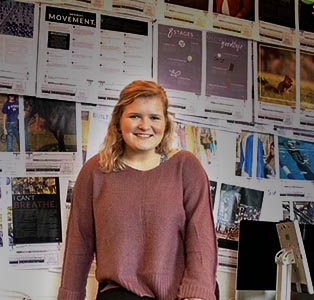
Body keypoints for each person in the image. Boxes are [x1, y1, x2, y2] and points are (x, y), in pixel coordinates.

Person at [58, 80, 218, 300]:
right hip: (120, 294)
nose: (145, 125)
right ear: (118, 121)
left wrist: (198, 294)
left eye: (154, 117)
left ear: (165, 123)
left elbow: (201, 238)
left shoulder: (186, 167)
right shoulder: (94, 172)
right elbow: (79, 242)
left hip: (182, 296)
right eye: (135, 116)